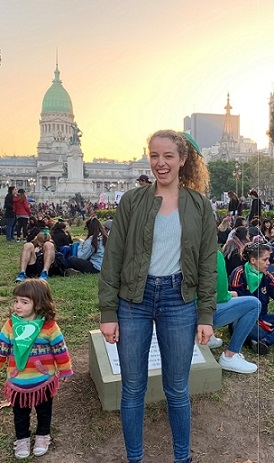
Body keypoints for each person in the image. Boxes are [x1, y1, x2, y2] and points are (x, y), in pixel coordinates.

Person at [99, 130, 217, 463]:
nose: (160, 163)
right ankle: (134, 458)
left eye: (168, 156)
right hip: (133, 300)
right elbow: (114, 258)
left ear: (182, 160)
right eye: (154, 155)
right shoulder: (132, 202)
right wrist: (109, 312)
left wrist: (206, 315)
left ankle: (183, 458)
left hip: (178, 300)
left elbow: (208, 264)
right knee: (133, 388)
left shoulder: (199, 205)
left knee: (177, 389)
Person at [0, 279, 73, 459]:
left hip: (43, 381)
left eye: (24, 302)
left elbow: (60, 350)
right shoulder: (10, 325)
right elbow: (2, 349)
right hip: (18, 381)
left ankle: (42, 436)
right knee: (20, 413)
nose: (17, 305)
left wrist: (65, 369)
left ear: (39, 303)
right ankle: (22, 439)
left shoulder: (49, 326)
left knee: (44, 411)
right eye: (16, 300)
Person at [208, 251, 259, 373]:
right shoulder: (213, 253)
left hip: (174, 316)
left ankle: (208, 337)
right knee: (254, 304)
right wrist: (228, 295)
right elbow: (220, 295)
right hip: (199, 317)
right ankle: (230, 355)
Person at [229, 242, 274, 355]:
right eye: (265, 260)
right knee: (240, 325)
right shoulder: (239, 273)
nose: (268, 263)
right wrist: (259, 322)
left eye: (269, 260)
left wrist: (262, 321)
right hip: (242, 318)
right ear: (253, 260)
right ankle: (262, 339)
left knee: (258, 330)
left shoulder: (267, 277)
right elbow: (237, 306)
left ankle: (262, 340)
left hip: (263, 318)